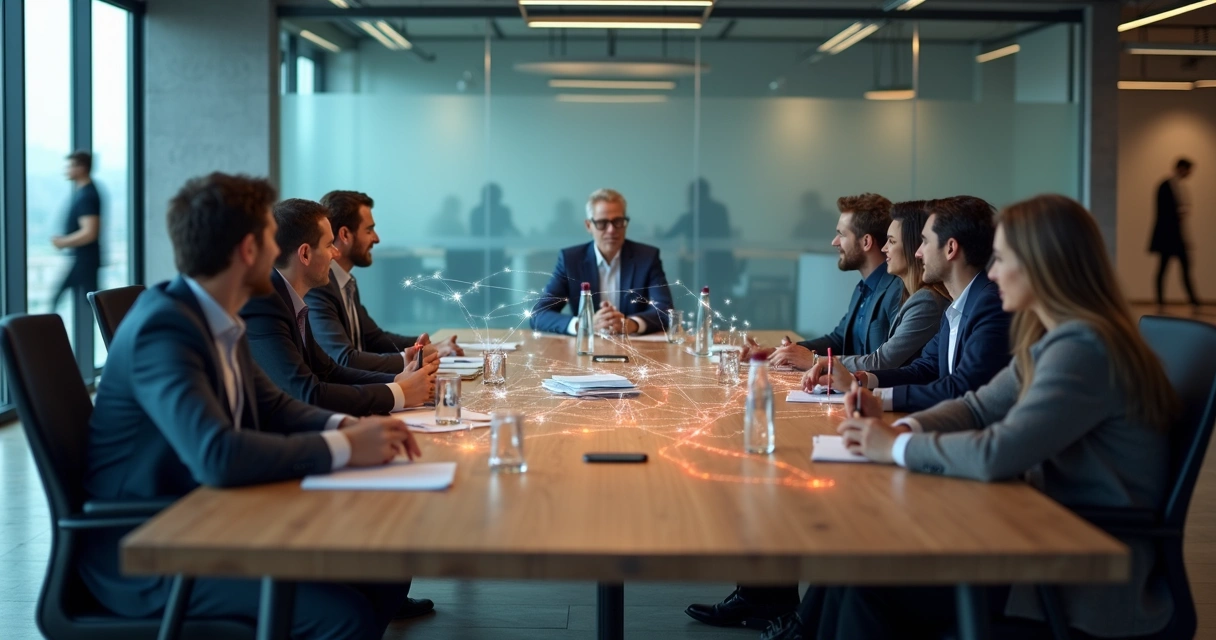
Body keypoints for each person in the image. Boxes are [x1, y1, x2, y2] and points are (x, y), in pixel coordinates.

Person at [805, 194, 1180, 640]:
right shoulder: (1057, 339)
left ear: (1044, 264)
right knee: (857, 563)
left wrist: (896, 446)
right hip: (1037, 535)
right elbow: (979, 405)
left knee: (867, 584)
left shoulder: (1084, 350)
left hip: (1077, 575)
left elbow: (997, 451)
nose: (994, 273)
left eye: (1002, 259)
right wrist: (905, 426)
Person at [82, 172, 422, 639]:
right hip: (153, 549)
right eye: (269, 237)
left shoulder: (217, 315)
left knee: (385, 567)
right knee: (344, 615)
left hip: (210, 519)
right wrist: (343, 447)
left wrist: (348, 425)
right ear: (248, 251)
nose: (279, 248)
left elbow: (276, 406)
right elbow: (217, 456)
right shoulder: (165, 329)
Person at [806, 196, 1011, 413]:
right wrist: (859, 380)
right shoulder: (958, 305)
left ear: (950, 248)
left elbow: (960, 388)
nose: (918, 252)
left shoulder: (989, 304)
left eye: (925, 241)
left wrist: (876, 397)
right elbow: (924, 369)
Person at [242, 198, 438, 418]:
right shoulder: (265, 305)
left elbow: (329, 371)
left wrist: (397, 380)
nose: (336, 253)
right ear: (305, 254)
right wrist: (399, 393)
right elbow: (309, 393)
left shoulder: (290, 298)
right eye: (328, 245)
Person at [742, 193, 905, 371]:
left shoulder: (897, 291)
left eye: (841, 235)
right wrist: (778, 352)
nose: (834, 242)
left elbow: (886, 363)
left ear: (866, 242)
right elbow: (839, 339)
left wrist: (814, 360)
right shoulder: (863, 288)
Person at [307, 190, 462, 376]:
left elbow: (374, 338)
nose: (376, 238)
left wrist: (430, 346)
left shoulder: (347, 282)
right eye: (369, 230)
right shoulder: (319, 288)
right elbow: (344, 358)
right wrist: (413, 358)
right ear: (345, 234)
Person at [803, 200, 949, 380]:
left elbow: (883, 361)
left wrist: (816, 361)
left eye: (891, 241)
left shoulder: (921, 298)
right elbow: (840, 339)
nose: (884, 248)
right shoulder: (883, 289)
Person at [530, 188, 673, 336]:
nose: (611, 230)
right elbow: (539, 315)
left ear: (625, 223)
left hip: (635, 349)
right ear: (588, 226)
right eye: (602, 223)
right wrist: (584, 324)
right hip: (586, 348)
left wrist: (630, 324)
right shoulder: (571, 260)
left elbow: (665, 310)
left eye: (618, 221)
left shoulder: (647, 257)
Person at [50, 150, 102, 313]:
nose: (67, 170)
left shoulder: (87, 195)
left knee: (97, 305)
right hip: (84, 259)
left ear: (82, 168)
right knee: (96, 304)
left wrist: (63, 242)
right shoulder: (85, 193)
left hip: (85, 260)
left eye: (71, 166)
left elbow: (90, 232)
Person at [1150, 158, 1200, 311]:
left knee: (1181, 267)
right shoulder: (1166, 186)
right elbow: (1163, 214)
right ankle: (1161, 301)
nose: (1189, 173)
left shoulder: (1177, 186)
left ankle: (1193, 301)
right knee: (1165, 269)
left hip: (1175, 237)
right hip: (1168, 238)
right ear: (1181, 168)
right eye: (1188, 170)